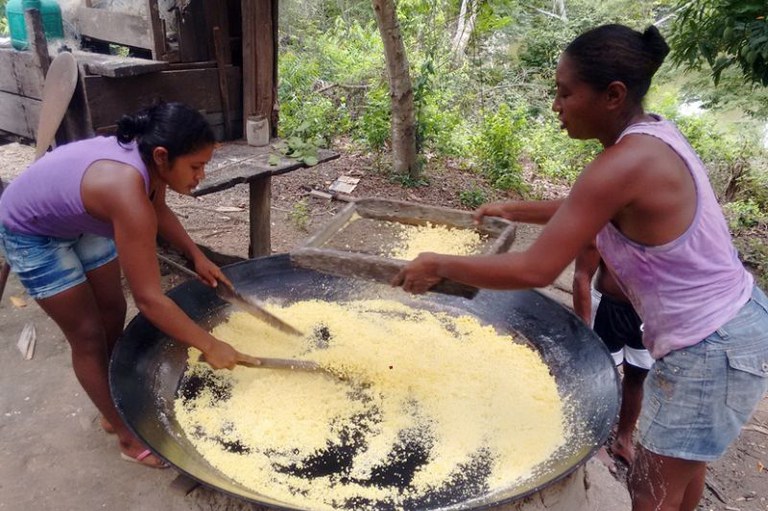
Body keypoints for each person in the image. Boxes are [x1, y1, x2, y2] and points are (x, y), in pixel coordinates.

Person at [393, 24, 768, 511]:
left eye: (565, 93)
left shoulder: (623, 163)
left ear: (612, 95)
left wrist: (436, 264)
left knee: (650, 488)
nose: (556, 106)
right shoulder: (651, 136)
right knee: (685, 465)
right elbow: (589, 207)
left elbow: (534, 268)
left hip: (710, 346)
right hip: (734, 325)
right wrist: (516, 208)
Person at [0, 102, 240, 468]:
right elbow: (150, 300)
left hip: (76, 215)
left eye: (204, 165)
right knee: (88, 335)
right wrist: (210, 344)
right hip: (30, 231)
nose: (200, 176)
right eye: (195, 166)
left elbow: (156, 206)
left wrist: (195, 254)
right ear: (162, 156)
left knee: (113, 309)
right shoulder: (126, 195)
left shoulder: (146, 162)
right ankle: (126, 434)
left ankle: (112, 399)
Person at [476, 200, 651, 467]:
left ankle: (624, 437)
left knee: (638, 375)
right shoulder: (601, 225)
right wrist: (584, 331)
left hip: (646, 313)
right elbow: (581, 277)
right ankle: (596, 441)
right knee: (600, 374)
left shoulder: (659, 227)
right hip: (608, 309)